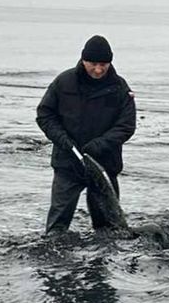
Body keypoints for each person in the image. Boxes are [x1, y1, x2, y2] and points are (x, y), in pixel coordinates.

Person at [35, 35, 136, 233]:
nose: (98, 70)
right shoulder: (63, 82)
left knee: (108, 227)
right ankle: (53, 259)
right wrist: (62, 140)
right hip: (68, 164)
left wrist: (100, 144)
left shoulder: (120, 88)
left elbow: (126, 126)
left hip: (104, 165)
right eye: (93, 64)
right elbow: (45, 115)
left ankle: (102, 262)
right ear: (83, 60)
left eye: (103, 64)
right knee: (57, 224)